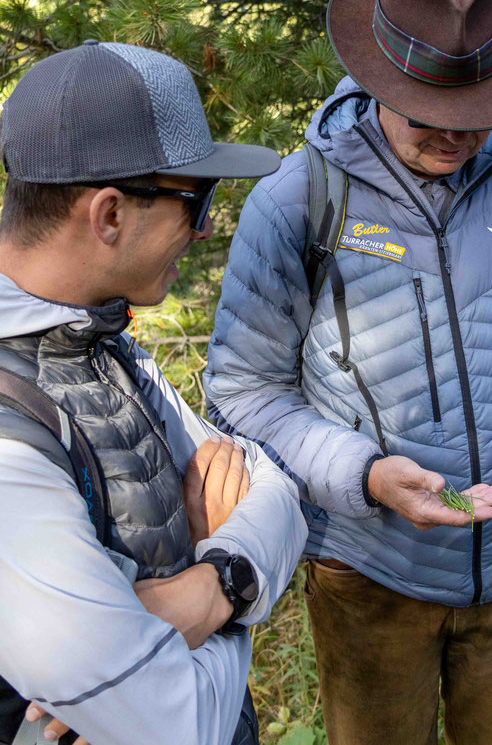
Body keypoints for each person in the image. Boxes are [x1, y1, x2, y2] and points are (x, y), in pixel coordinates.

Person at [204, 0, 492, 745]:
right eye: (430, 109)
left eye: (476, 111)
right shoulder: (299, 201)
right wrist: (361, 475)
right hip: (371, 572)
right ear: (378, 73)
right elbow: (243, 392)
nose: (453, 133)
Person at [0, 40, 308, 745]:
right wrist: (236, 597)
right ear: (109, 215)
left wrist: (208, 585)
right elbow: (179, 725)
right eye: (194, 199)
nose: (203, 228)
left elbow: (275, 490)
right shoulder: (9, 449)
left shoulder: (99, 339)